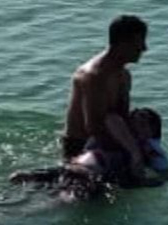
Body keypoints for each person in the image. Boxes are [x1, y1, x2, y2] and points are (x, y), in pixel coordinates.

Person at [10, 107, 168, 201]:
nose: (137, 126)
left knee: (48, 204)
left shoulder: (147, 150)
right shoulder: (118, 137)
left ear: (153, 131)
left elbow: (164, 175)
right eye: (134, 122)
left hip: (86, 175)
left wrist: (146, 181)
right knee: (19, 179)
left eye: (143, 124)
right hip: (73, 170)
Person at [61, 15, 149, 179]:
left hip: (108, 142)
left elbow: (120, 117)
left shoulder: (124, 75)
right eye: (139, 42)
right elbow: (93, 127)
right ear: (122, 44)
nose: (144, 48)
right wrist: (131, 153)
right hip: (80, 147)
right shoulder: (94, 76)